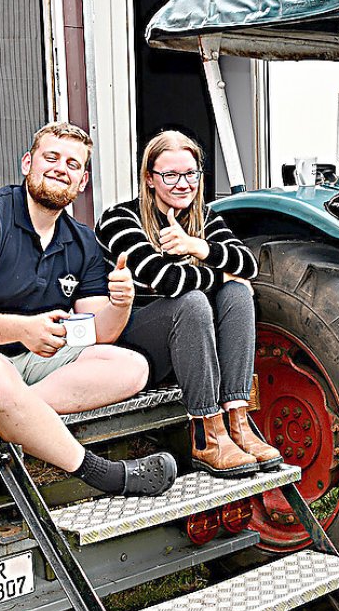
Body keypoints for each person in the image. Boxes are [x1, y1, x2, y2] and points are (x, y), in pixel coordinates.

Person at [0, 121, 177, 497]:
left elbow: (96, 332)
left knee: (132, 367)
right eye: (51, 157)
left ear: (83, 182)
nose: (61, 168)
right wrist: (24, 330)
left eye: (73, 165)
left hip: (23, 364)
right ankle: (105, 474)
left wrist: (120, 304)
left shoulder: (82, 241)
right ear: (28, 163)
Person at [96, 131, 281, 477]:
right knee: (194, 300)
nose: (183, 184)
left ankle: (238, 422)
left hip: (193, 342)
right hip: (137, 339)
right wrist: (222, 276)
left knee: (238, 295)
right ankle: (207, 434)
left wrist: (200, 248)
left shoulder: (204, 219)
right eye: (170, 175)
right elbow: (167, 281)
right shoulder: (119, 220)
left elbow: (249, 266)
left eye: (191, 174)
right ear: (149, 179)